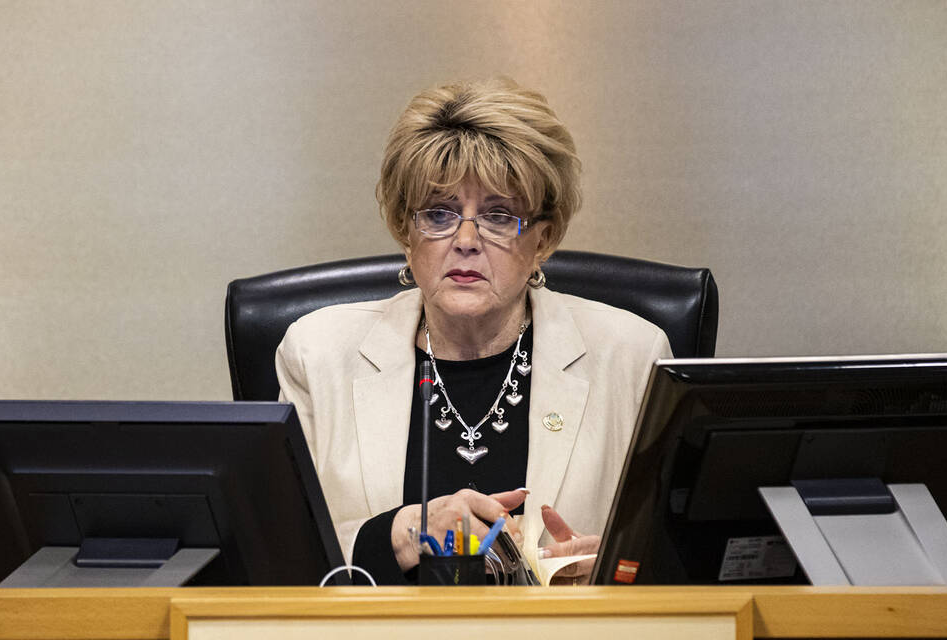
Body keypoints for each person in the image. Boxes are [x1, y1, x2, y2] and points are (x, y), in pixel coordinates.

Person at [276, 78, 671, 583]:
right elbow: (284, 558)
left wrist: (617, 572)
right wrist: (404, 535)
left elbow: (676, 562)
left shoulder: (631, 355)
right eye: (438, 214)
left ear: (543, 240)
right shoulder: (318, 355)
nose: (465, 240)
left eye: (499, 216)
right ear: (405, 230)